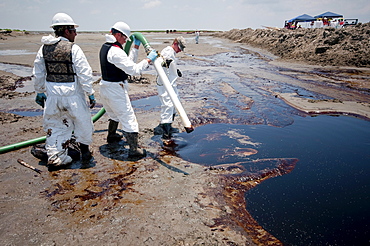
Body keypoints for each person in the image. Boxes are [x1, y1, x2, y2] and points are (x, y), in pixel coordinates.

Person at [33, 13, 96, 167]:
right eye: (74, 30)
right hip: (72, 95)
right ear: (66, 31)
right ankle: (85, 153)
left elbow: (38, 71)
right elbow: (84, 73)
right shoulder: (73, 49)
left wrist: (40, 91)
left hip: (53, 96)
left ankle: (55, 157)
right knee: (82, 123)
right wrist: (90, 93)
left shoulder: (44, 48)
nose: (76, 33)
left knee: (55, 125)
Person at [99, 21, 158, 158]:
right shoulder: (115, 51)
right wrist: (148, 60)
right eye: (125, 38)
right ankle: (133, 150)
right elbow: (134, 70)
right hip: (115, 89)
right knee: (129, 118)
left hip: (106, 88)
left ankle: (112, 135)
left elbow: (127, 62)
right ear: (118, 35)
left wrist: (136, 47)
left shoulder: (106, 47)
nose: (126, 41)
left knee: (113, 114)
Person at [154, 36, 186, 141]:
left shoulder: (172, 52)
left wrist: (176, 70)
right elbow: (161, 64)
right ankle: (166, 132)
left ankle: (169, 127)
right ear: (175, 43)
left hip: (172, 84)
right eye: (180, 48)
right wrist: (164, 63)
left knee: (174, 104)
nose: (180, 50)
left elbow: (170, 65)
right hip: (165, 84)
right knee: (167, 105)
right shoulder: (168, 51)